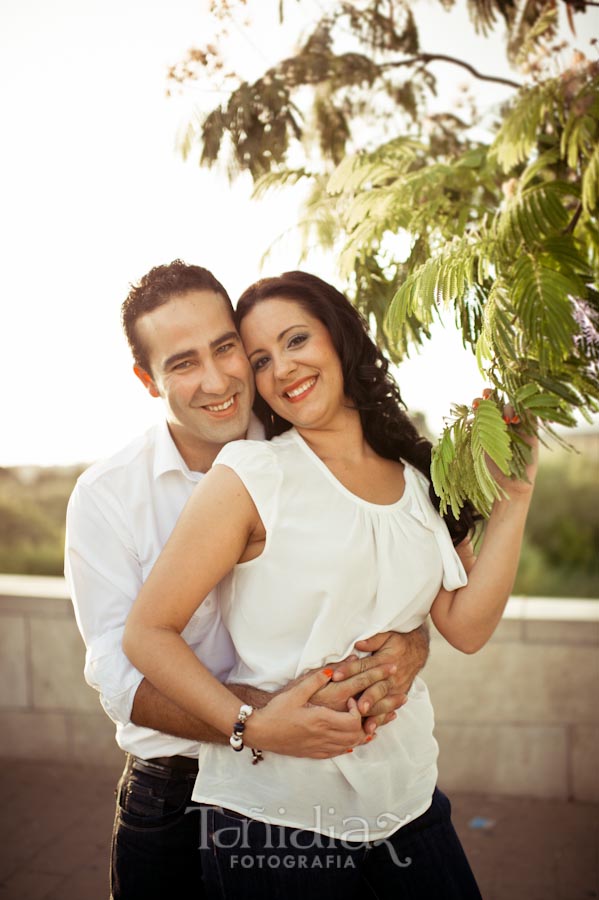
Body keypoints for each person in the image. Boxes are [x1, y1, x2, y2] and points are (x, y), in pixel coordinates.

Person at [124, 271, 538, 899]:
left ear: (339, 337)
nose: (282, 368)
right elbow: (147, 634)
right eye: (260, 359)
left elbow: (467, 625)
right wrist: (247, 724)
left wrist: (514, 499)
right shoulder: (252, 473)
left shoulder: (420, 475)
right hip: (274, 820)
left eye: (296, 340)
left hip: (407, 801)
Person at [65, 261, 430, 900]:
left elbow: (382, 573)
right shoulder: (106, 496)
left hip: (317, 778)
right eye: (182, 363)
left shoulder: (307, 441)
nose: (217, 381)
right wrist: (255, 719)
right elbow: (121, 677)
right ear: (146, 380)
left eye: (227, 348)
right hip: (174, 789)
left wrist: (413, 643)